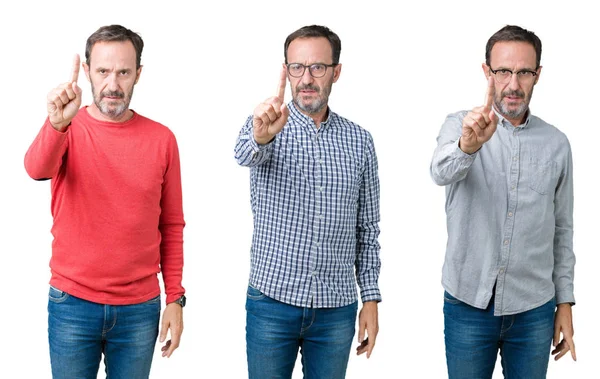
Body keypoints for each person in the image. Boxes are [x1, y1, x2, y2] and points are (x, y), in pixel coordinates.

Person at [24, 24, 186, 379]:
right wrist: (55, 124)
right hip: (73, 305)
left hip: (139, 309)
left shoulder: (162, 139)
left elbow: (171, 224)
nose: (113, 85)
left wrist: (174, 297)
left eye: (124, 72)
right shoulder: (67, 127)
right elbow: (36, 169)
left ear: (138, 75)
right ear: (86, 72)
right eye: (103, 71)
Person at [234, 25, 381, 378]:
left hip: (336, 309)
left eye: (318, 67)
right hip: (272, 302)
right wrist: (261, 135)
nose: (306, 78)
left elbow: (368, 227)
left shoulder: (360, 141)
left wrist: (371, 299)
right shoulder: (267, 124)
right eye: (296, 68)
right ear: (286, 71)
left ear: (336, 71)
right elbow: (243, 153)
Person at [430, 25, 576, 378]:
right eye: (504, 71)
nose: (513, 84)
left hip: (534, 309)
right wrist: (469, 145)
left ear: (537, 75)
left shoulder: (557, 143)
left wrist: (565, 304)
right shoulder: (460, 126)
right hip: (468, 306)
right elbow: (439, 171)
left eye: (524, 72)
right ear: (487, 72)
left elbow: (562, 229)